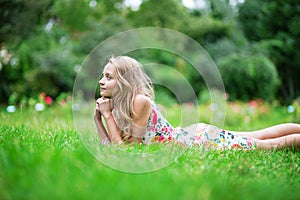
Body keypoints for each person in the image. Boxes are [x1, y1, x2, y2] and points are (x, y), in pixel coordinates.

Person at [94, 56, 300, 150]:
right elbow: (111, 145)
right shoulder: (117, 105)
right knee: (256, 136)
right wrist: (99, 119)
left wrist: (108, 116)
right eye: (103, 76)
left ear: (125, 81)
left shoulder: (139, 101)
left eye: (108, 76)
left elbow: (126, 150)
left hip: (196, 141)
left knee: (263, 143)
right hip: (190, 134)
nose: (102, 81)